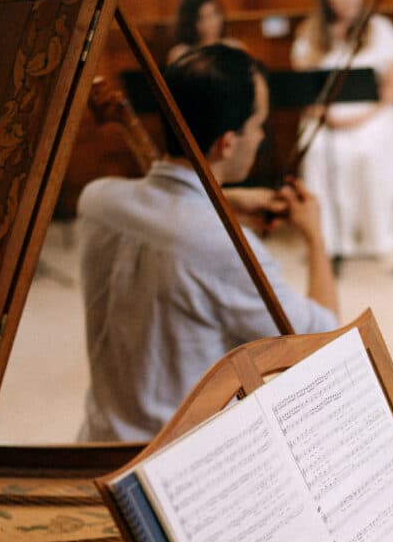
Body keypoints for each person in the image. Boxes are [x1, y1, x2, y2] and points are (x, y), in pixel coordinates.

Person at [77, 44, 339, 444]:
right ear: (228, 143)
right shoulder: (231, 251)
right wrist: (315, 237)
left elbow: (166, 208)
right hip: (182, 463)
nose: (262, 135)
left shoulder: (96, 201)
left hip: (97, 443)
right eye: (259, 124)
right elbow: (321, 342)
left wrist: (228, 198)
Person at [291, 0, 393, 260]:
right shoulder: (310, 33)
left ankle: (376, 234)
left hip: (372, 113)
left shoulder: (380, 29)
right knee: (317, 150)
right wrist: (325, 117)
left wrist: (360, 117)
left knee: (369, 150)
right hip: (326, 117)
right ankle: (331, 239)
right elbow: (304, 90)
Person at [166, 0, 244, 65]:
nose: (210, 23)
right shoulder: (181, 54)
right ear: (190, 22)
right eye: (201, 18)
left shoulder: (234, 47)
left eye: (214, 14)